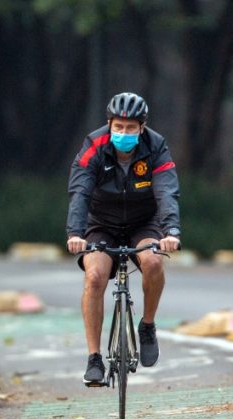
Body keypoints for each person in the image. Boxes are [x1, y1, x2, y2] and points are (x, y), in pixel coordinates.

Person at [66, 92, 182, 386]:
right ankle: (94, 358)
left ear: (142, 127)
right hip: (100, 223)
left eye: (131, 128)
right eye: (118, 127)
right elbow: (80, 191)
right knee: (94, 277)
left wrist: (170, 232)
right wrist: (75, 233)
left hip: (144, 222)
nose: (124, 133)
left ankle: (147, 326)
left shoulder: (156, 146)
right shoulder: (94, 146)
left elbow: (166, 191)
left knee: (153, 262)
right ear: (109, 124)